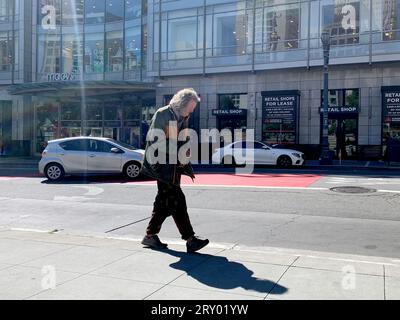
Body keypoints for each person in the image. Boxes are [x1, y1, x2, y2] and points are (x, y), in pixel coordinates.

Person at [141, 88, 209, 253]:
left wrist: (185, 150)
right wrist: (177, 150)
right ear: (182, 103)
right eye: (191, 107)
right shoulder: (163, 114)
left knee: (164, 202)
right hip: (161, 165)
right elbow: (155, 139)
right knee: (178, 200)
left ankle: (150, 236)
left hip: (174, 166)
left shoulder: (183, 116)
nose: (192, 111)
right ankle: (190, 239)